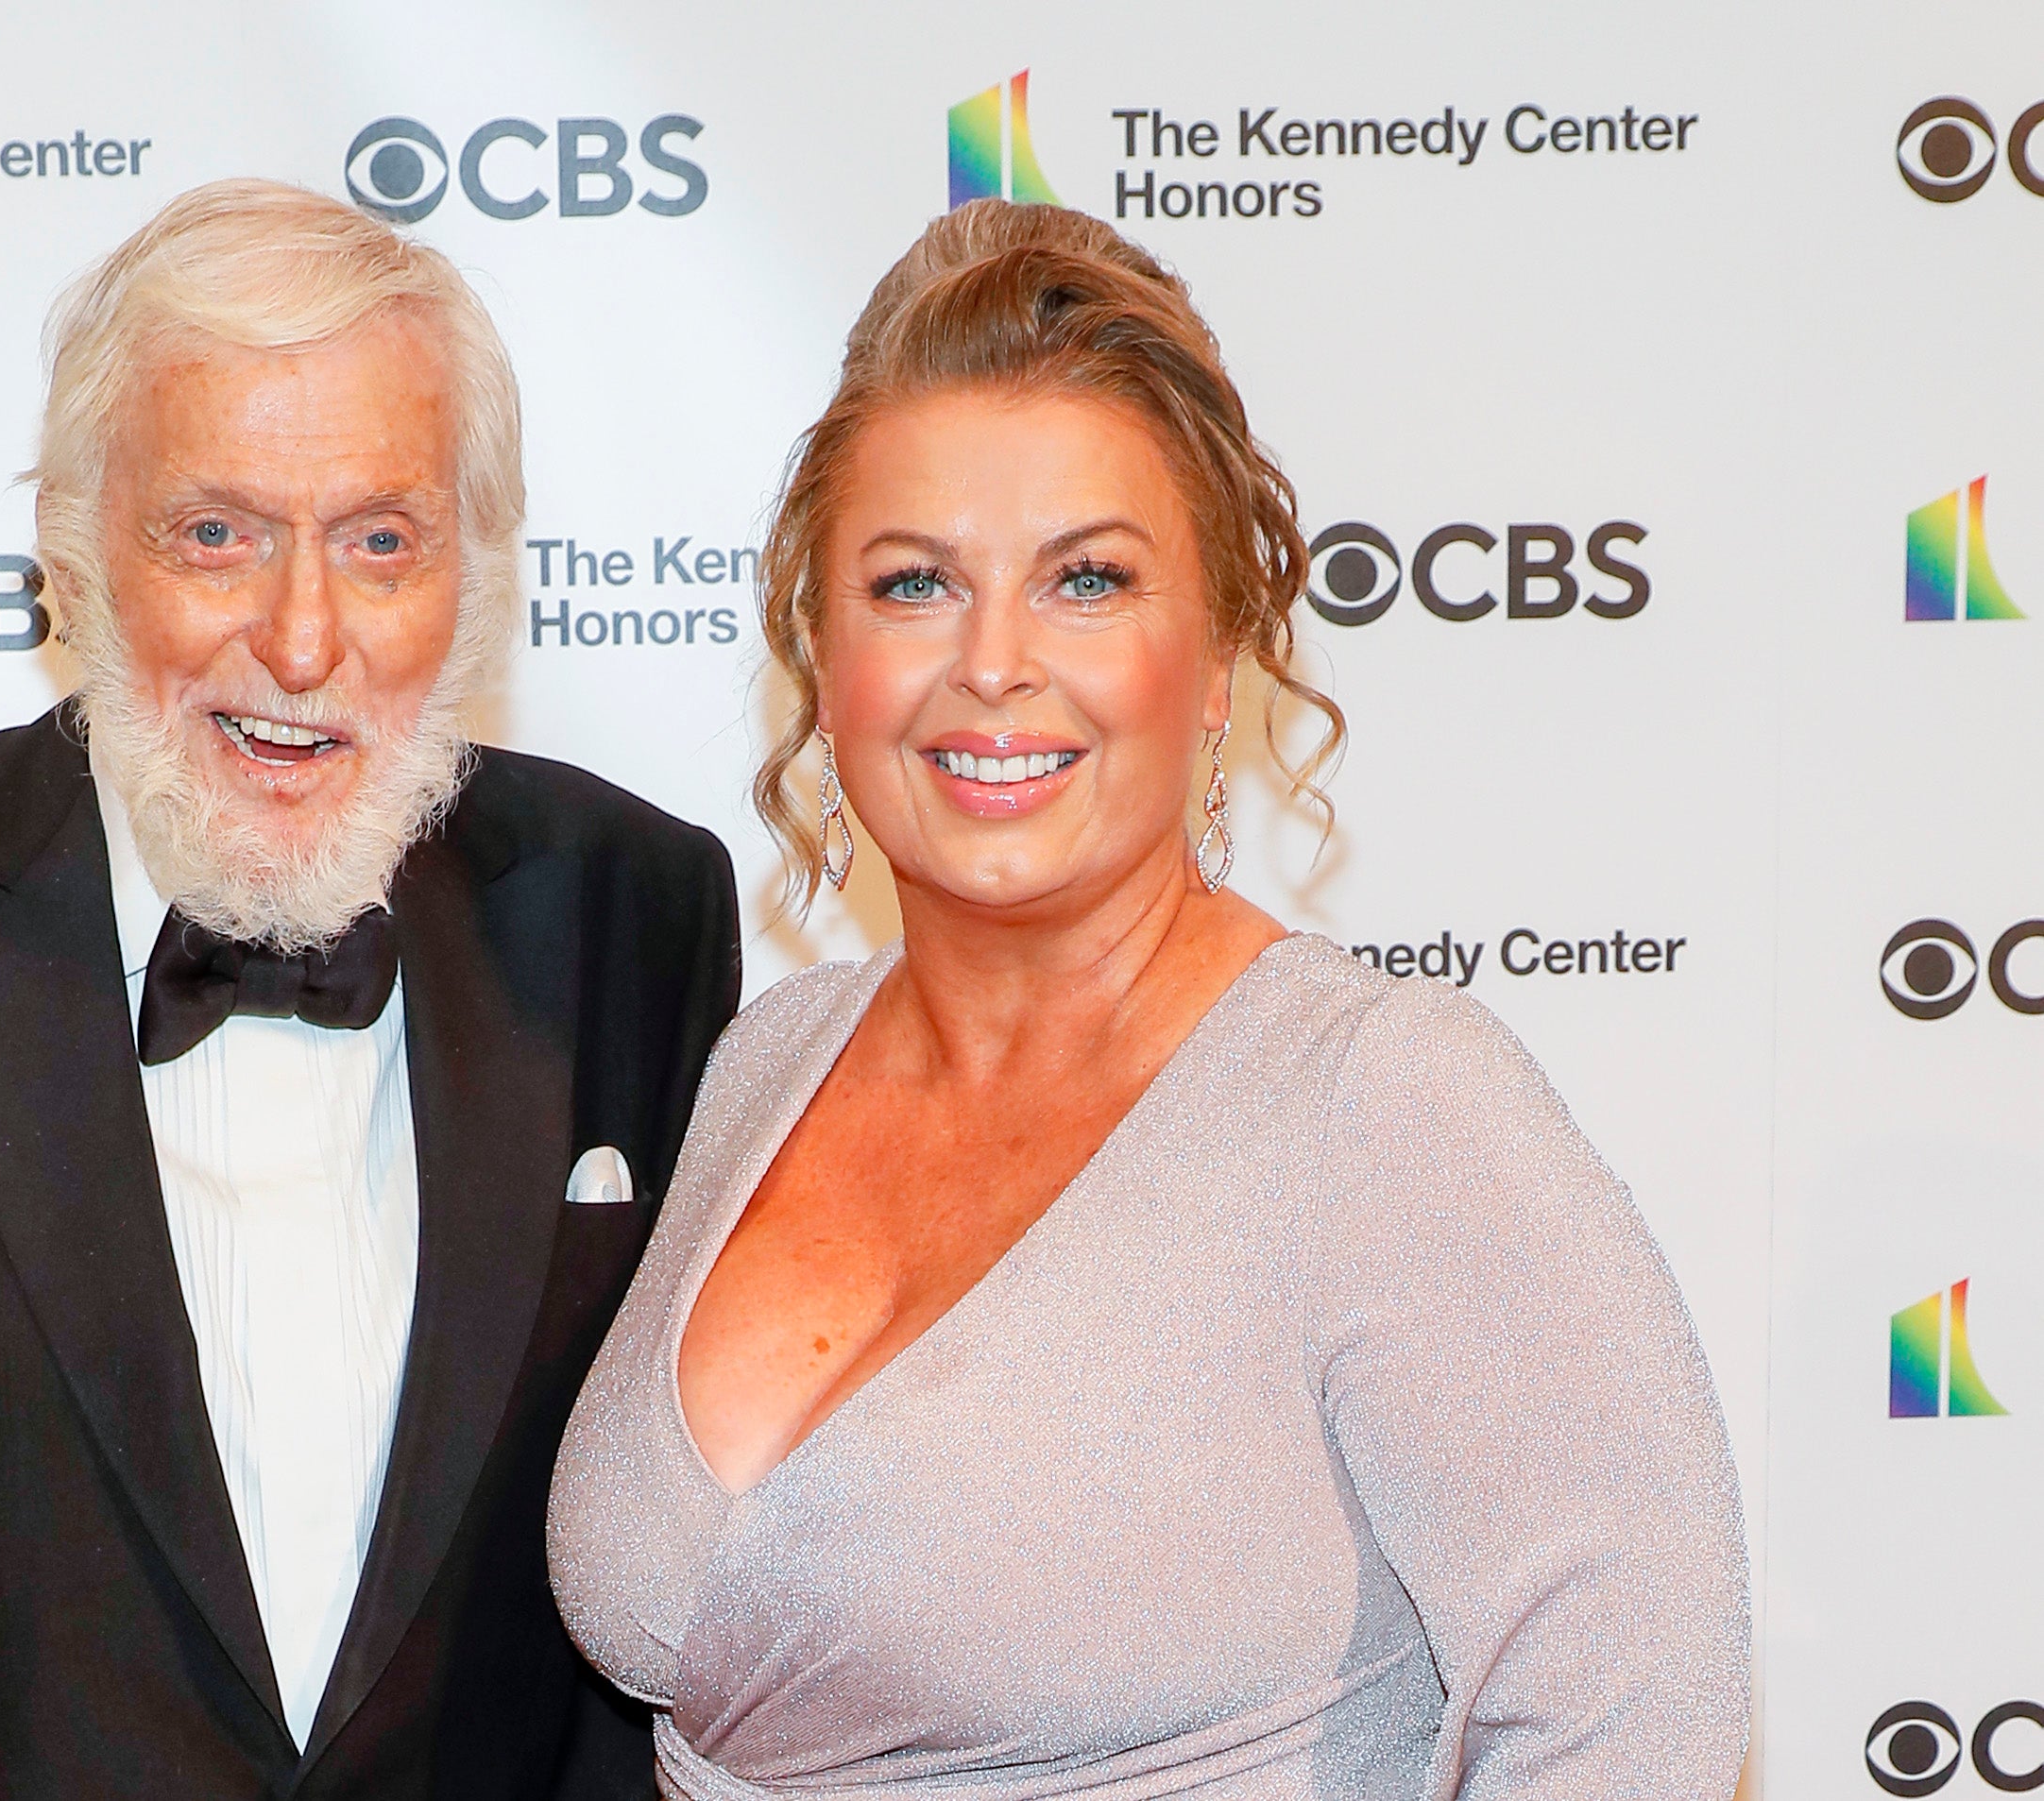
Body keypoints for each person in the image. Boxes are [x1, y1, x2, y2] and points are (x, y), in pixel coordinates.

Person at [0, 180, 740, 1800]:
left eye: (378, 540)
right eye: (216, 534)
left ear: (469, 570)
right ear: (73, 548)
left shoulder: (630, 908)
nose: (301, 636)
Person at [547, 200, 1748, 1799]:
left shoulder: (1378, 1103)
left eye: (1086, 581)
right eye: (911, 584)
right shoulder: (767, 1062)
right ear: (815, 653)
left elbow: (1633, 1728)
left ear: (1221, 651)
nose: (991, 662)